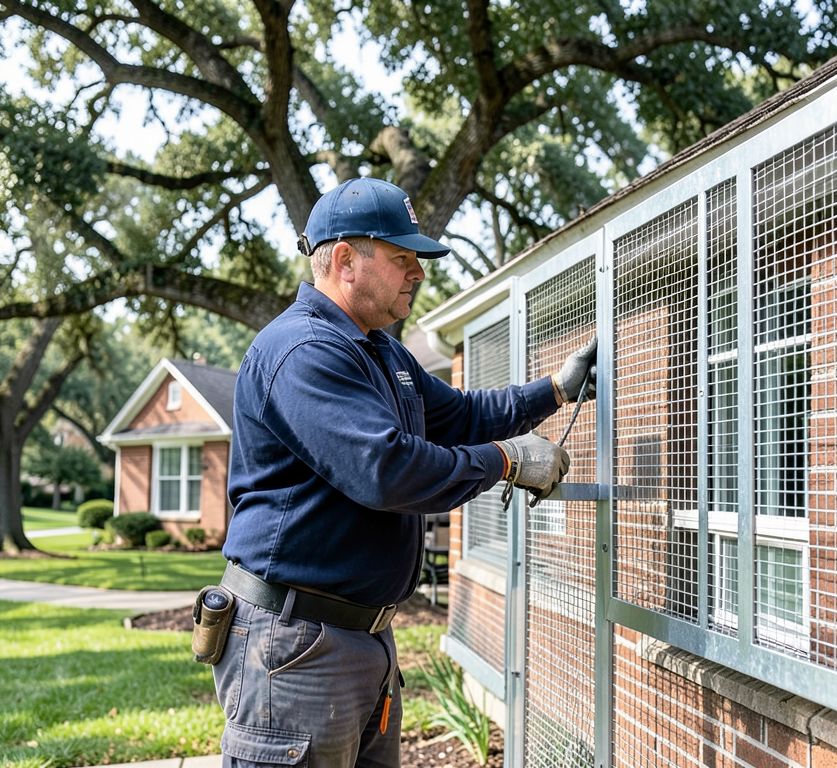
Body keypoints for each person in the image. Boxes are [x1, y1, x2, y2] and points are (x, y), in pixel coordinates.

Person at [212, 177, 596, 768]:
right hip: (294, 645)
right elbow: (387, 471)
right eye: (402, 258)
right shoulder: (302, 351)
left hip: (359, 640)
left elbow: (461, 415)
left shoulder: (382, 353)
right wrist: (508, 461)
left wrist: (554, 390)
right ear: (345, 260)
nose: (418, 273)